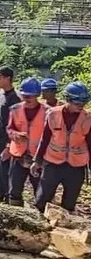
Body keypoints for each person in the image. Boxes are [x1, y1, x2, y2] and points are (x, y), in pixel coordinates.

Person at [31, 82, 91, 213]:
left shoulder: (88, 118)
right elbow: (45, 138)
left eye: (83, 103)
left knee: (69, 204)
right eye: (77, 103)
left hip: (76, 166)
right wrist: (37, 160)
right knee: (41, 200)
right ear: (68, 100)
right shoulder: (53, 114)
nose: (81, 106)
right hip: (53, 163)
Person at [6, 78, 45, 206]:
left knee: (40, 192)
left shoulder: (47, 112)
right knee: (14, 189)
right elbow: (9, 129)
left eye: (31, 96)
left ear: (37, 95)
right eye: (25, 96)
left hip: (38, 157)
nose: (27, 99)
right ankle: (16, 216)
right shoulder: (15, 109)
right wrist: (16, 135)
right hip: (18, 155)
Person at [0, 66, 21, 203]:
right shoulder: (1, 94)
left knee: (4, 173)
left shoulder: (15, 98)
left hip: (5, 141)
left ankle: (6, 199)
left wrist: (9, 145)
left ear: (8, 78)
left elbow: (15, 124)